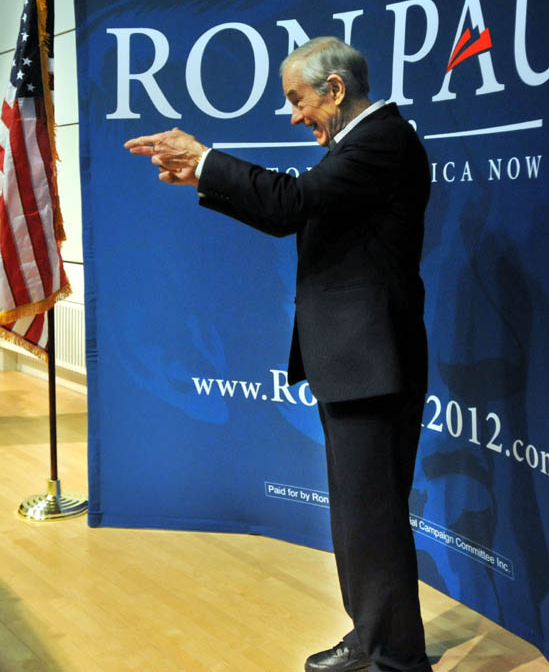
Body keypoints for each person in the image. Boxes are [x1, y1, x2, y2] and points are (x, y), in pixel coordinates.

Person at [125, 37, 433, 672]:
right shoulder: (355, 148)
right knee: (357, 516)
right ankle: (373, 636)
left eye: (297, 100)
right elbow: (286, 214)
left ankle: (397, 661)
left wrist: (207, 159)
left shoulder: (383, 139)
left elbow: (292, 202)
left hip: (370, 363)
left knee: (370, 518)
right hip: (354, 361)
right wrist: (203, 180)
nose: (294, 115)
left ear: (335, 89)